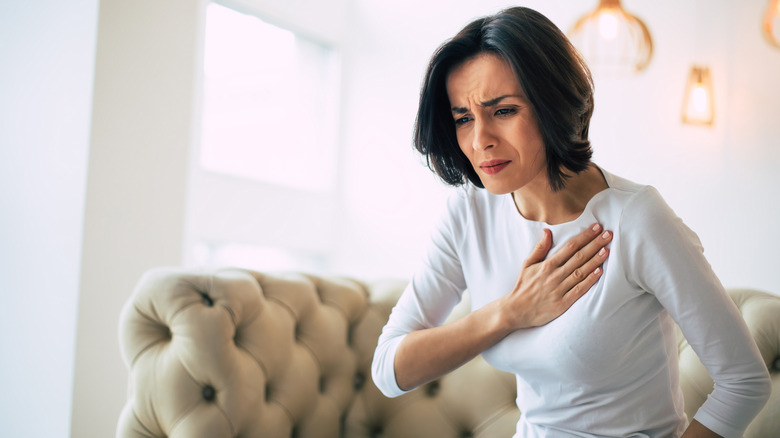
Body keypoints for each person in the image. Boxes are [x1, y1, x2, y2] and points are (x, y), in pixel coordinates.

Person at [371, 7, 771, 438]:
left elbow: (744, 381)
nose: (480, 138)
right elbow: (390, 369)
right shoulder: (470, 213)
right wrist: (510, 312)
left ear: (552, 105)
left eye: (502, 111)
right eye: (463, 118)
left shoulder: (637, 219)